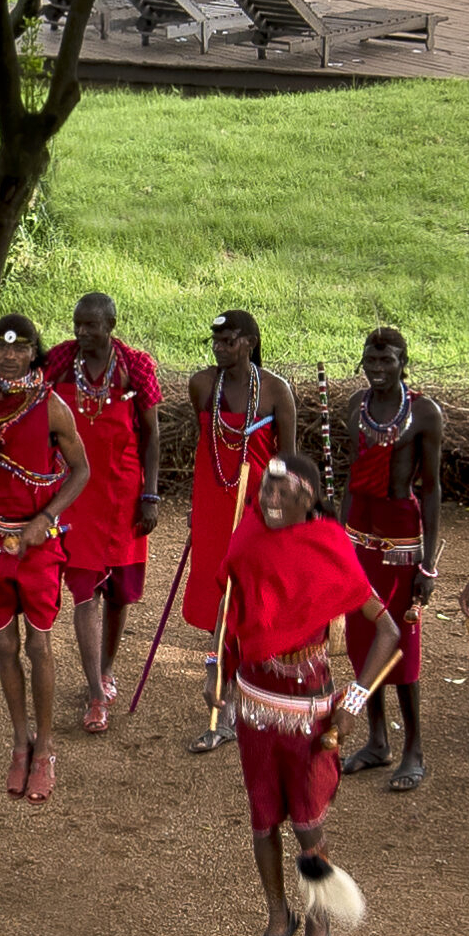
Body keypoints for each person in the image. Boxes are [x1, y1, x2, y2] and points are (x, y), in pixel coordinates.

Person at [214, 445, 400, 936]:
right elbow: (230, 606)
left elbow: (388, 633)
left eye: (281, 492)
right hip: (254, 700)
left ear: (308, 497)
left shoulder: (328, 547)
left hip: (309, 709)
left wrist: (354, 705)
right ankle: (279, 916)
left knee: (308, 823)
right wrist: (215, 668)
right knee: (262, 820)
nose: (269, 499)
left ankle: (320, 921)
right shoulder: (247, 536)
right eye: (265, 490)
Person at [0, 307, 94, 804]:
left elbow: (81, 471)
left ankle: (47, 750)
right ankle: (20, 744)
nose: (11, 355)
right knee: (3, 648)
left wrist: (45, 519)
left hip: (38, 545)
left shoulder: (52, 406)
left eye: (21, 347)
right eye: (2, 346)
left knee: (38, 646)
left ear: (34, 352)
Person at [166, 308, 298, 754]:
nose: (220, 348)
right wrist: (195, 510)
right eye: (216, 342)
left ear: (250, 341)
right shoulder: (202, 385)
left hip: (260, 511)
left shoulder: (277, 391)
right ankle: (224, 709)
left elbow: (288, 463)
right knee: (218, 593)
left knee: (251, 600)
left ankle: (247, 699)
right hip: (213, 507)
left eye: (229, 341)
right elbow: (208, 448)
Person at [328, 324, 446, 796]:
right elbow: (350, 476)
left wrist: (428, 563)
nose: (378, 370)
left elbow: (432, 489)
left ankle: (413, 747)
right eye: (371, 362)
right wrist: (336, 542)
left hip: (400, 534)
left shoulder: (424, 414)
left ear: (403, 362)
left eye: (387, 361)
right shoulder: (353, 408)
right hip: (358, 528)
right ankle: (377, 740)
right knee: (362, 638)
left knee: (402, 642)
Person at [46, 290, 164, 732]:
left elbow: (151, 434)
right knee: (84, 592)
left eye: (91, 325)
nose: (82, 332)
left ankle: (107, 666)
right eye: (77, 324)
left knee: (118, 593)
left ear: (110, 325)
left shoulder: (137, 366)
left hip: (123, 492)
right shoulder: (57, 361)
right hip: (76, 493)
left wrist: (149, 495)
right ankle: (96, 693)